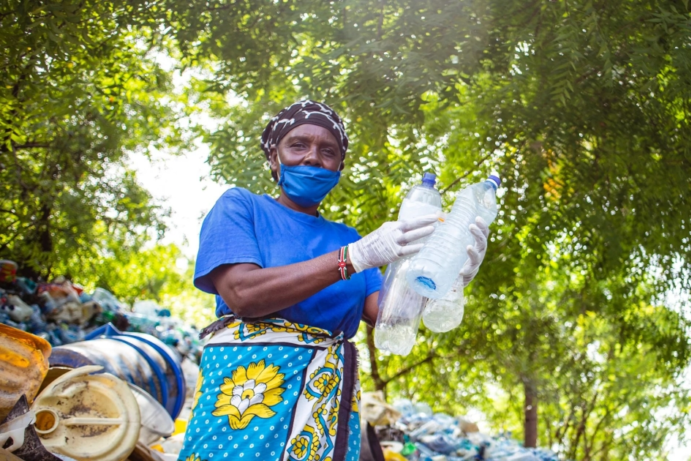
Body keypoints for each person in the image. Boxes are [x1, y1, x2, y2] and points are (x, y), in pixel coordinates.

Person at [177, 100, 491, 461]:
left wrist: (449, 277)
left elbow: (391, 315)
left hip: (322, 408)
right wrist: (352, 258)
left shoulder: (347, 236)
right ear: (274, 158)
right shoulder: (241, 207)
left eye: (327, 152)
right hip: (244, 399)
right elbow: (243, 294)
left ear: (338, 168)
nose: (312, 158)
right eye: (298, 145)